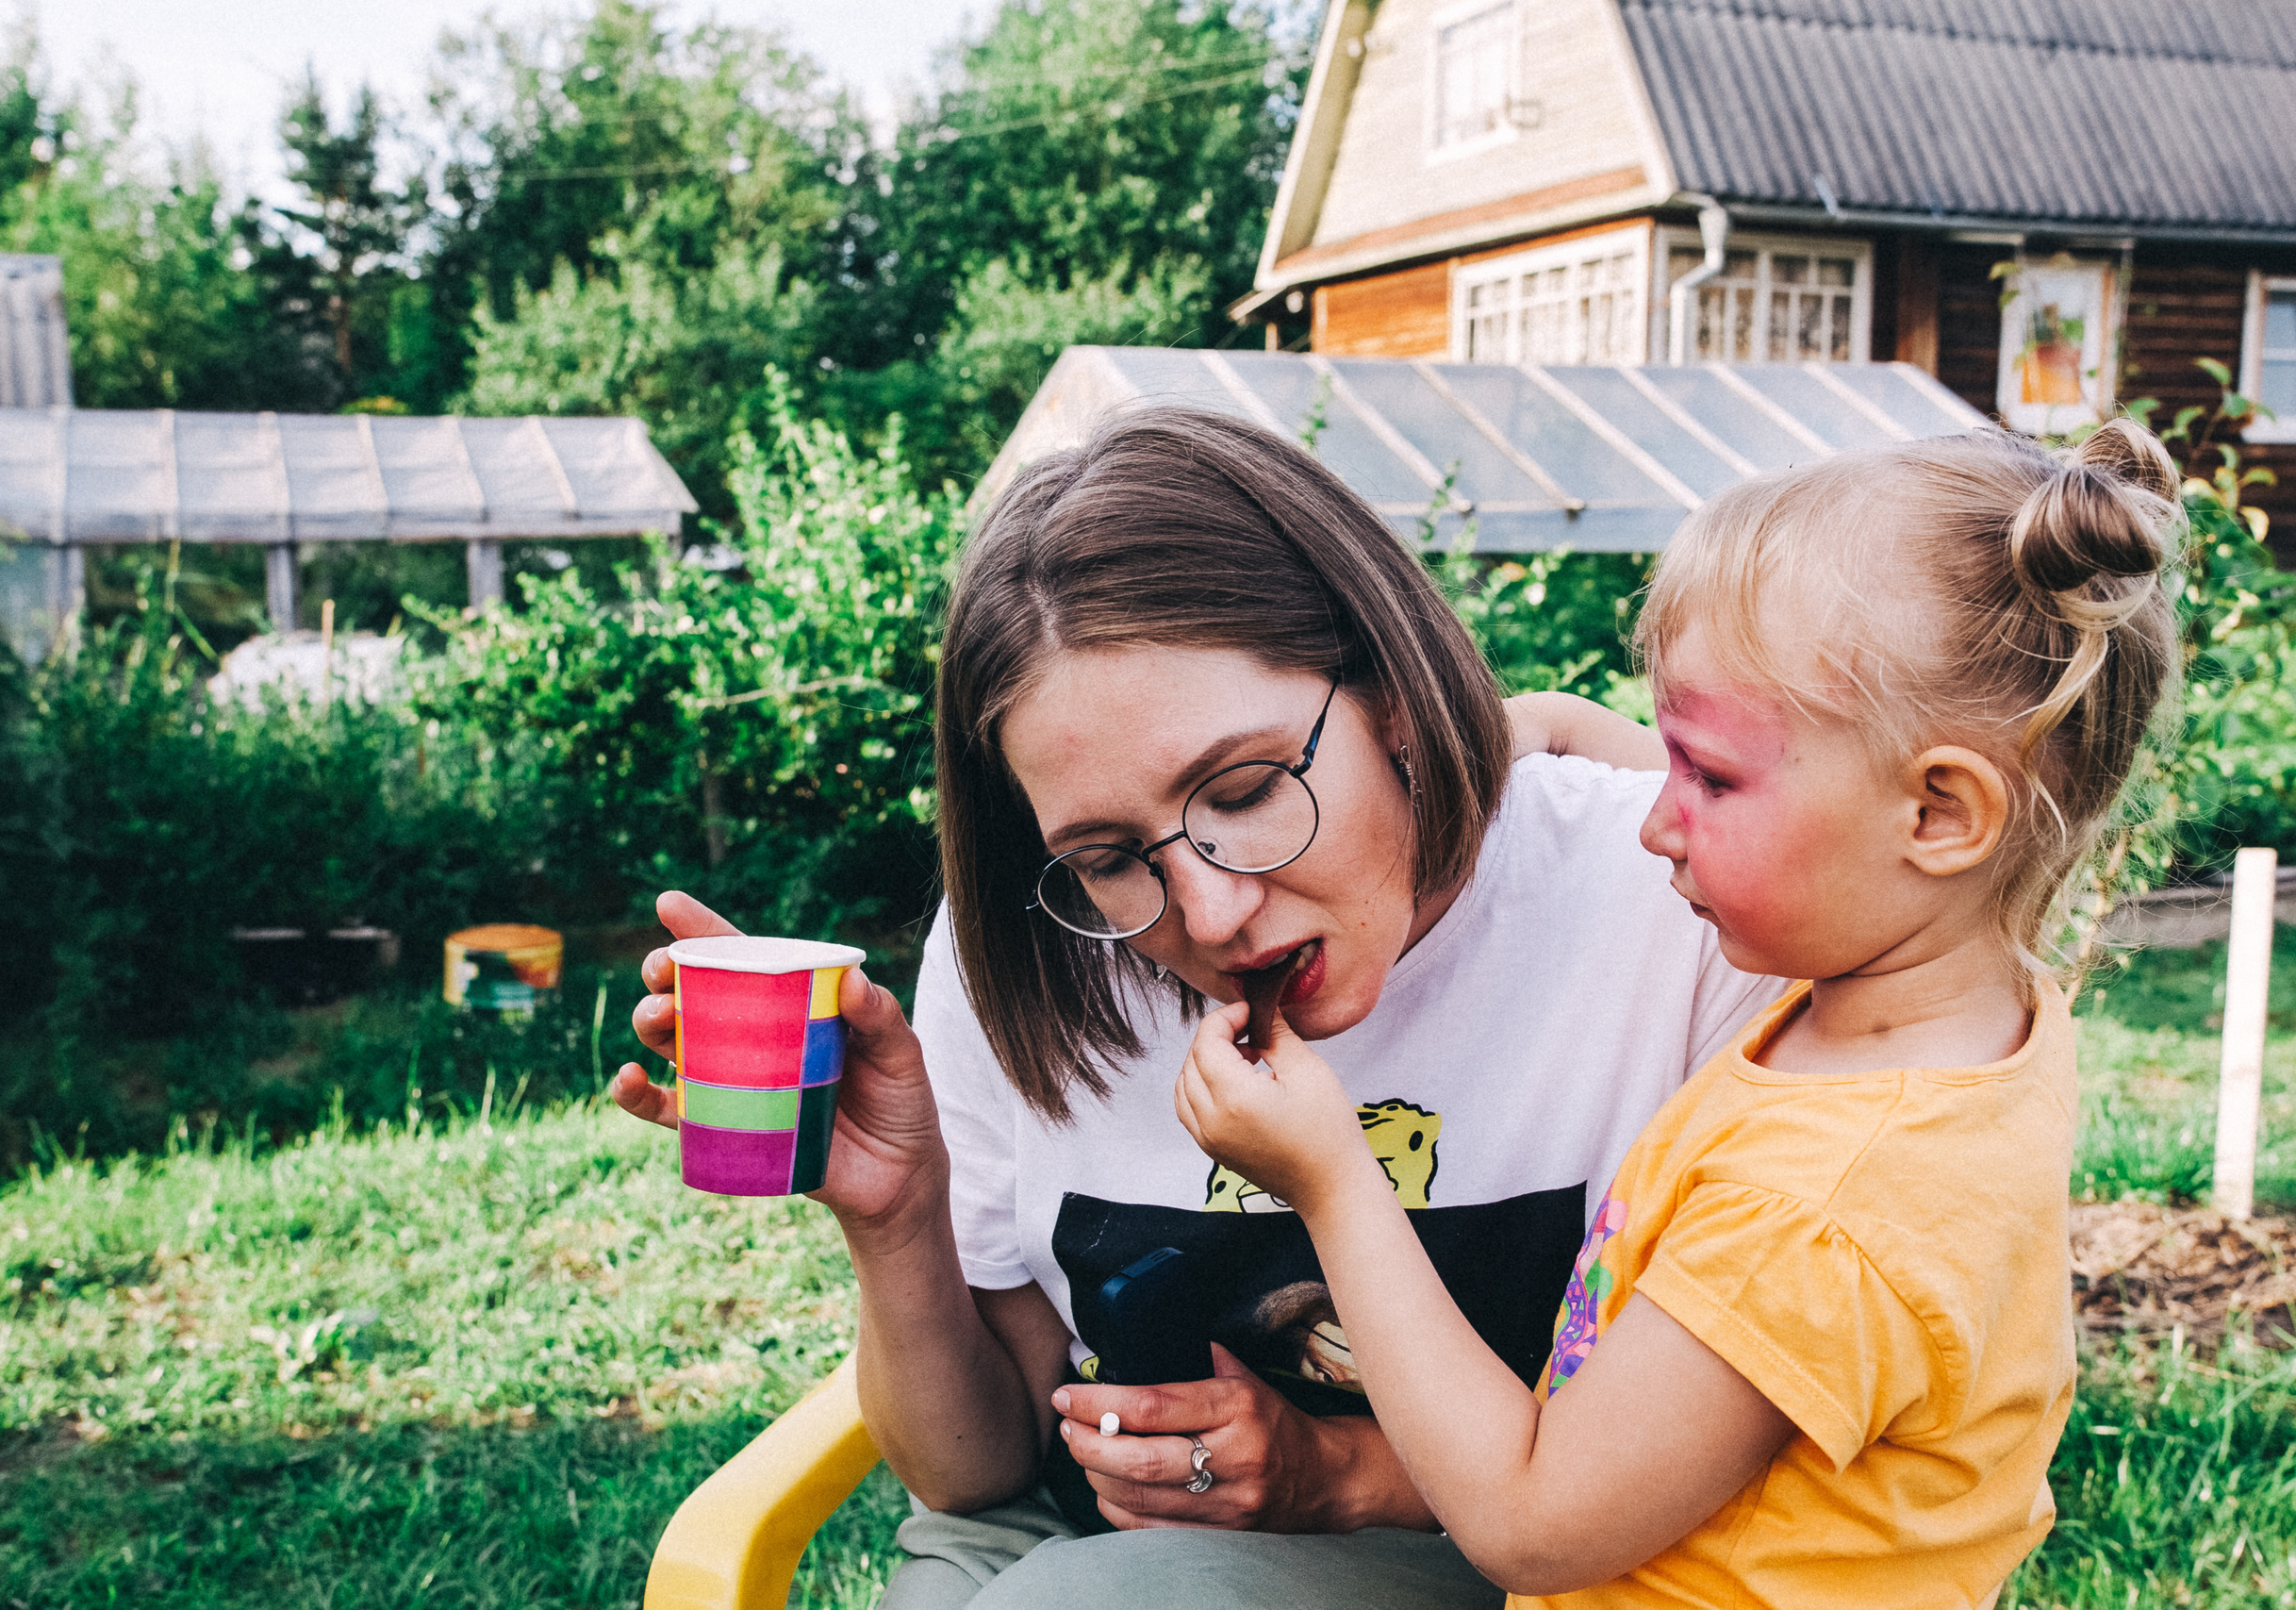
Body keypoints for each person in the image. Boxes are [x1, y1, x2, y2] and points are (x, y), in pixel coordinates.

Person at [611, 407, 1779, 1609]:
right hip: (1057, 1547)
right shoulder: (1033, 943)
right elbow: (973, 1477)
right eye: (1110, 856)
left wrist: (1339, 1473)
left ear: (1390, 693)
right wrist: (898, 1217)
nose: (1212, 914)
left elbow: (1742, 1458)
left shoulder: (1671, 909)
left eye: (1247, 789)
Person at [1173, 420, 2184, 1608]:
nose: (1656, 819)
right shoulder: (1947, 1005)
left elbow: (1530, 1527)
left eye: (1707, 776)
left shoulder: (1815, 1212)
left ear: (1939, 816)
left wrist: (1333, 1180)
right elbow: (1734, 789)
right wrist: (1549, 726)